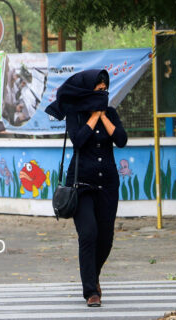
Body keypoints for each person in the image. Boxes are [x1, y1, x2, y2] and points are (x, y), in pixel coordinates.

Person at [45, 69, 127, 307]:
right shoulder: (75, 114)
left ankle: (94, 275)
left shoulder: (110, 113)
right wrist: (92, 116)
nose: (103, 95)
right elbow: (78, 140)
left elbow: (121, 140)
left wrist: (102, 116)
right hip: (81, 184)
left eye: (105, 91)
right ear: (89, 92)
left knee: (106, 239)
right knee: (88, 234)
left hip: (108, 185)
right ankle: (91, 291)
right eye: (98, 91)